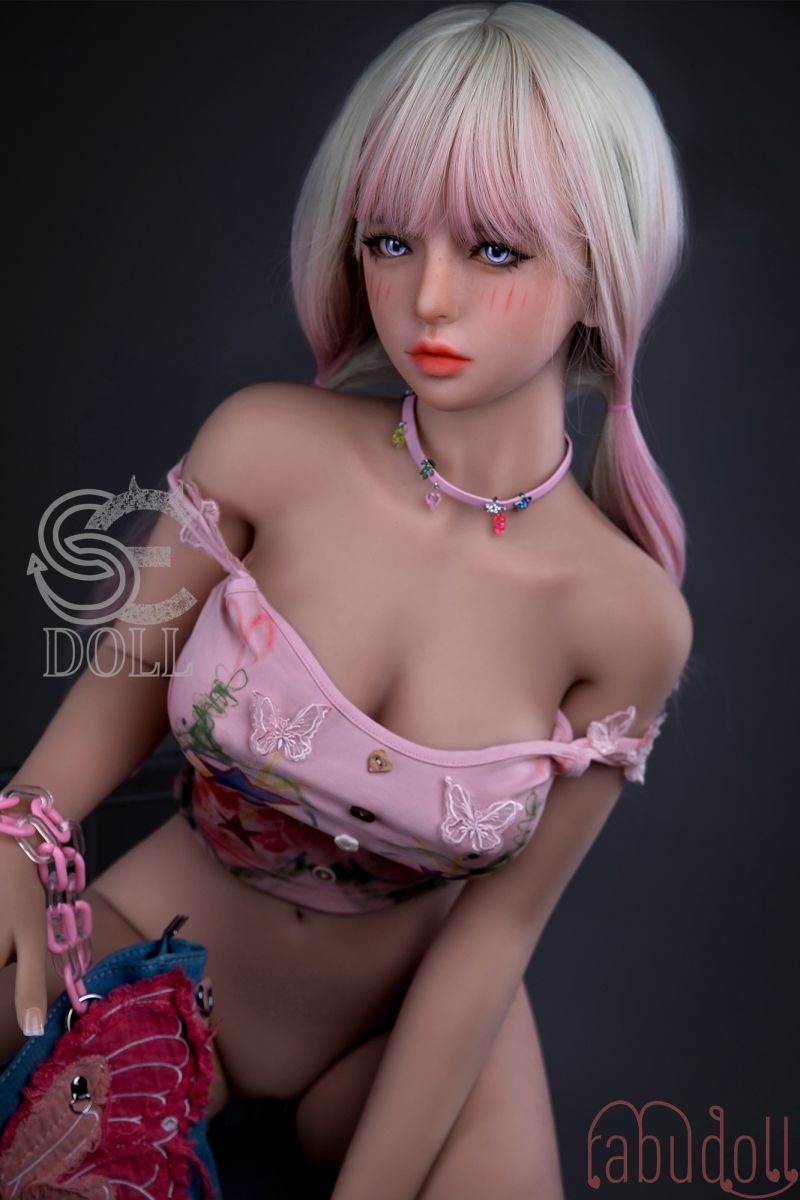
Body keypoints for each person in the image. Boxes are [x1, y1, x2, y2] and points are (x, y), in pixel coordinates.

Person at [0, 3, 693, 1196]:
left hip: (395, 1036)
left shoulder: (627, 622)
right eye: (389, 241)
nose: (427, 298)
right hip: (150, 949)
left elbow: (495, 937)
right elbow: (108, 703)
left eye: (494, 251)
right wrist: (18, 832)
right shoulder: (264, 448)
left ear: (600, 276)